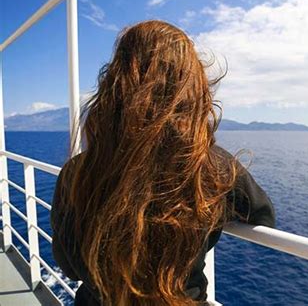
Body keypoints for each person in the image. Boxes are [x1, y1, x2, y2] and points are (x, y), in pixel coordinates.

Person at [50, 20, 276, 306]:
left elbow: (69, 266)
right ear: (192, 88)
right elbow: (263, 217)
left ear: (115, 85)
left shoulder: (77, 173)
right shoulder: (214, 167)